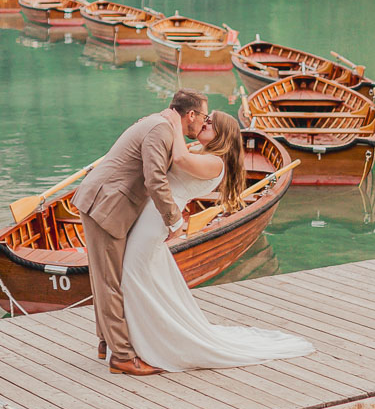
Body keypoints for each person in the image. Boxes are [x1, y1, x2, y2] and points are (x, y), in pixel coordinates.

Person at [121, 108, 314, 371]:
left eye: (209, 122)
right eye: (204, 118)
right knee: (141, 279)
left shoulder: (215, 162)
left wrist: (176, 123)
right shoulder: (200, 152)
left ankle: (149, 348)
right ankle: (137, 342)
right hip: (152, 215)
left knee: (133, 275)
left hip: (156, 220)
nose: (202, 123)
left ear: (221, 135)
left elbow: (178, 158)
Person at [73, 90, 212, 376]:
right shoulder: (161, 130)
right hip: (106, 204)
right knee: (111, 281)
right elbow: (154, 179)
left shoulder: (158, 123)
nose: (204, 122)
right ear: (191, 115)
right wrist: (175, 220)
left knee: (106, 277)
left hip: (105, 201)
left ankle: (105, 342)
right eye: (204, 117)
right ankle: (122, 357)